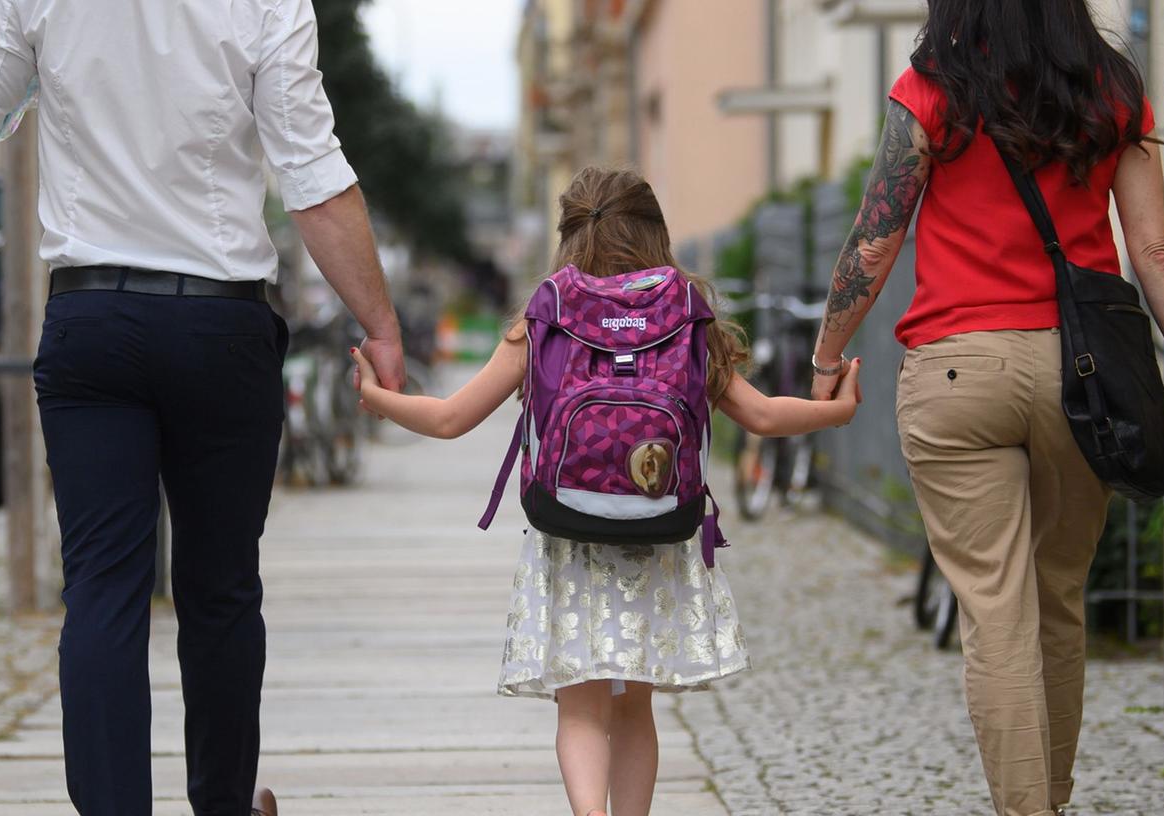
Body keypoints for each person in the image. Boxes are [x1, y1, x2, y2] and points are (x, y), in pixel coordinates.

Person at [0, 2, 405, 814]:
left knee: (102, 588)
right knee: (221, 589)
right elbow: (311, 177)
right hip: (220, 321)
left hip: (92, 321)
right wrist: (381, 326)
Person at [807, 2, 1164, 815]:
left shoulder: (931, 88)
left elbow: (874, 239)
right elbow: (1154, 248)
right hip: (1084, 375)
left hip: (958, 375)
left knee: (995, 610)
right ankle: (1052, 801)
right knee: (1058, 597)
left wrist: (828, 356)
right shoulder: (1111, 89)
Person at [349, 167, 861, 816]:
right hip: (656, 526)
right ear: (655, 233)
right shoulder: (686, 311)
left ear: (568, 236)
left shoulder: (547, 311)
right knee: (634, 704)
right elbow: (760, 416)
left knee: (582, 703)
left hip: (568, 532)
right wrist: (835, 412)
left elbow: (451, 418)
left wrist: (375, 396)